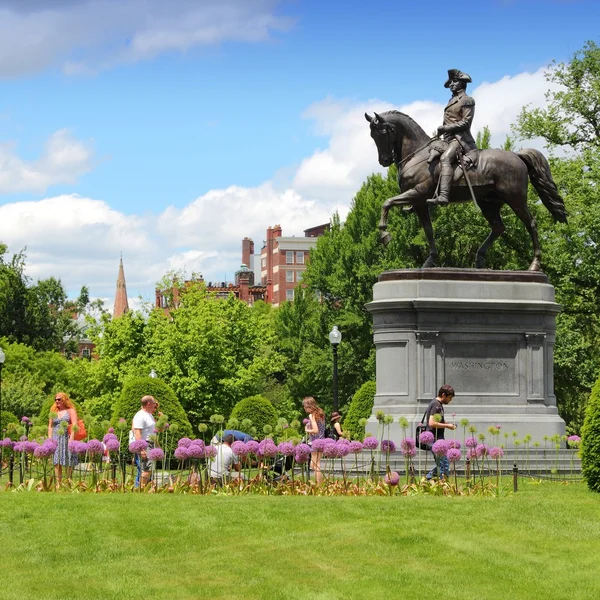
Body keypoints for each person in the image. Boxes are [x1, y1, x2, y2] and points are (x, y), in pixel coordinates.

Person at [427, 69, 478, 206]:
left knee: (445, 158)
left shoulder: (467, 100)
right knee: (430, 152)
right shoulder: (452, 100)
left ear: (462, 83)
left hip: (460, 140)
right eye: (450, 82)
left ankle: (443, 196)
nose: (451, 84)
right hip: (448, 139)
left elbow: (466, 122)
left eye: (454, 81)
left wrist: (445, 128)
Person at [48, 392, 79, 488]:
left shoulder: (71, 411)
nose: (57, 401)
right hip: (56, 438)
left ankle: (68, 482)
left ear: (64, 400)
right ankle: (58, 484)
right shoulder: (53, 411)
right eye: (56, 399)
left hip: (66, 437)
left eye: (59, 399)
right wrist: (50, 439)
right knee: (57, 461)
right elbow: (50, 426)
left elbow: (74, 425)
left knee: (68, 459)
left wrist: (72, 438)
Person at [425, 384, 457, 480]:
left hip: (437, 439)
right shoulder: (436, 405)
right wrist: (447, 426)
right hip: (435, 440)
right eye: (449, 398)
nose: (450, 400)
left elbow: (437, 422)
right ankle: (430, 479)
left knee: (442, 464)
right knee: (444, 465)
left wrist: (448, 424)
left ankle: (429, 479)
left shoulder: (437, 404)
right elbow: (431, 423)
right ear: (443, 395)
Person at [131, 395, 160, 487]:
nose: (155, 404)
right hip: (145, 444)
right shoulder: (140, 415)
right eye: (153, 403)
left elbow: (153, 431)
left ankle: (140, 489)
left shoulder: (149, 415)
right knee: (147, 469)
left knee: (146, 469)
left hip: (150, 444)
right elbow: (137, 433)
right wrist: (142, 449)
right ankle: (140, 490)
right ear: (148, 404)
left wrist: (157, 445)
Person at [303, 396, 325, 484]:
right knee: (314, 465)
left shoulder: (312, 415)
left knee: (316, 465)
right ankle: (320, 483)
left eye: (305, 406)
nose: (304, 408)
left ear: (309, 406)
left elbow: (315, 430)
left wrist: (307, 430)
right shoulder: (320, 414)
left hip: (315, 442)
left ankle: (319, 485)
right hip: (321, 441)